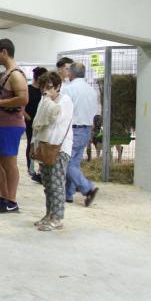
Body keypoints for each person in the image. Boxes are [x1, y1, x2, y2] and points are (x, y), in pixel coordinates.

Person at [0, 39, 28, 214]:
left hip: (10, 125)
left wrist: (0, 102)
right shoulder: (7, 73)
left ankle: (12, 200)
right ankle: (4, 196)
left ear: (4, 52)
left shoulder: (16, 75)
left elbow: (23, 99)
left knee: (9, 163)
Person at [31, 72, 74, 231]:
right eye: (43, 87)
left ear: (57, 87)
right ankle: (49, 214)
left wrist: (47, 100)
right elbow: (38, 122)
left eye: (49, 87)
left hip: (58, 148)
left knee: (57, 184)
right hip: (44, 147)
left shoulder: (65, 101)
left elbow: (55, 118)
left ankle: (57, 218)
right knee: (47, 184)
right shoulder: (45, 101)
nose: (45, 91)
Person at [62, 62, 100, 206]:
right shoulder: (91, 90)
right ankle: (69, 194)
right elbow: (95, 112)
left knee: (67, 163)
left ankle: (88, 188)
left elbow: (65, 112)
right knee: (75, 163)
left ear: (71, 74)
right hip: (87, 128)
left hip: (73, 129)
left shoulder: (69, 89)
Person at [24, 67, 47, 184]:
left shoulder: (44, 91)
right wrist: (29, 118)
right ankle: (31, 167)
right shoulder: (27, 89)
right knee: (31, 143)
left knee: (41, 145)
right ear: (38, 77)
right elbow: (21, 107)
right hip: (31, 122)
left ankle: (40, 169)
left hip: (42, 122)